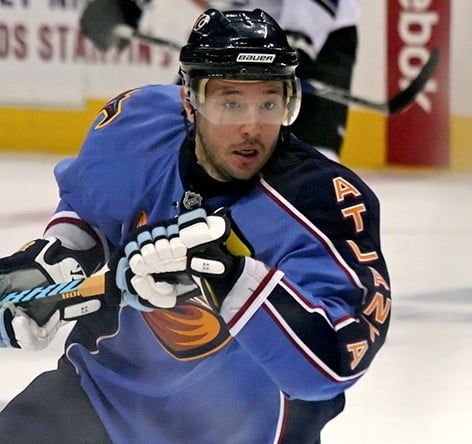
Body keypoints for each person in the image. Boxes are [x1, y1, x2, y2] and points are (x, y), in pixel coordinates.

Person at [0, 8, 390, 444]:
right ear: (189, 101)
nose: (251, 126)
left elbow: (332, 365)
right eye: (230, 102)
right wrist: (54, 261)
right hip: (102, 402)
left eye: (268, 102)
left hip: (243, 431)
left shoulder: (323, 202)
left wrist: (231, 276)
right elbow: (91, 208)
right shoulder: (139, 125)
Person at [80, 0, 359, 162]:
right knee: (174, 134)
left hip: (320, 33)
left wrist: (299, 39)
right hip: (227, 29)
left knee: (311, 157)